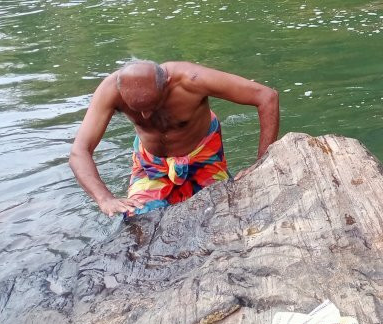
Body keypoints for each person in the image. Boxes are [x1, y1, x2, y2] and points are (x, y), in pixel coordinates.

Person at [70, 59, 280, 217]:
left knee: (223, 213)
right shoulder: (110, 90)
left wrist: (262, 163)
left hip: (203, 153)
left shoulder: (192, 80)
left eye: (152, 106)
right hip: (151, 163)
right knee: (136, 219)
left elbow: (266, 96)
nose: (145, 116)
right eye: (137, 111)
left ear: (167, 83)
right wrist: (104, 199)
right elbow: (79, 151)